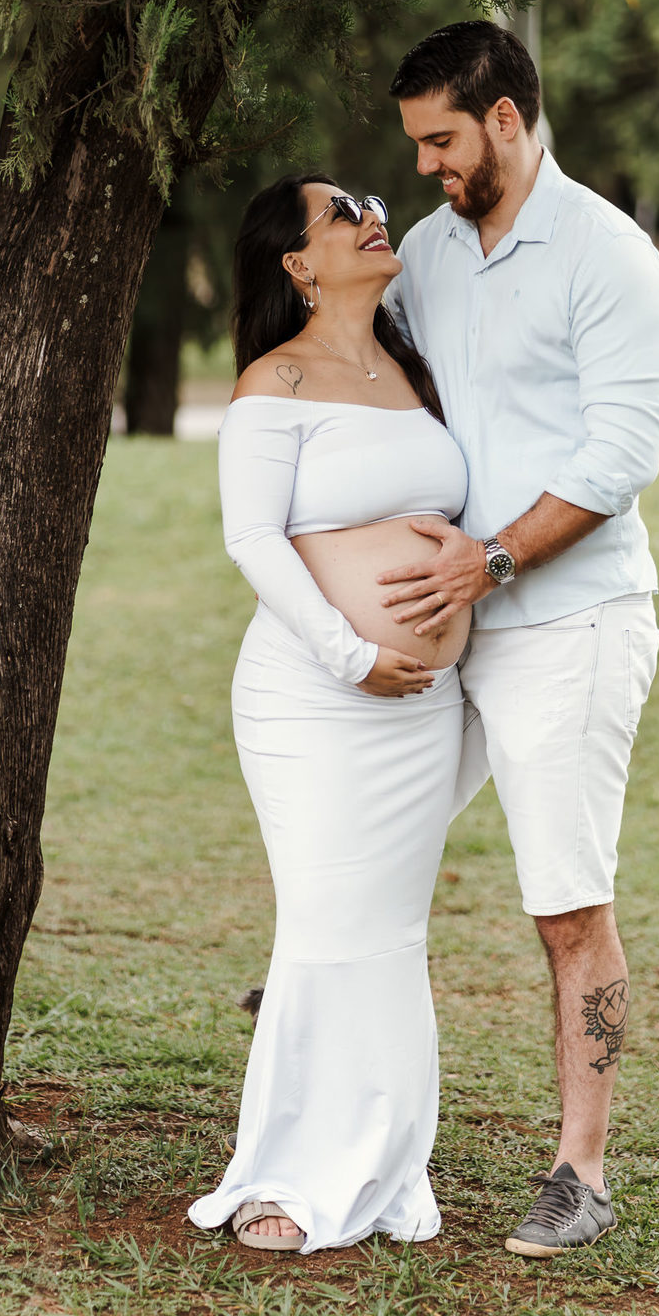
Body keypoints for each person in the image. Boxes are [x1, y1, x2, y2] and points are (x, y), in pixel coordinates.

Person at [382, 21, 659, 1258]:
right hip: (456, 626)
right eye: (417, 145)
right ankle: (332, 1052)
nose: (427, 166)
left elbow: (621, 456)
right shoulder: (429, 253)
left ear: (506, 118)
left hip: (571, 622)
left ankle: (581, 1172)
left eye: (442, 140)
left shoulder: (609, 253)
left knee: (566, 902)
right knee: (378, 836)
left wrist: (490, 558)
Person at [186, 172, 471, 1254]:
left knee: (390, 935)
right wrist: (351, 654)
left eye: (371, 202)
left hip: (421, 712)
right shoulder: (276, 380)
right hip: (312, 699)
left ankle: (389, 1165)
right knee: (324, 926)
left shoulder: (413, 369)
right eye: (342, 211)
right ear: (298, 263)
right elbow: (253, 539)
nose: (371, 215)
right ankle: (287, 1175)